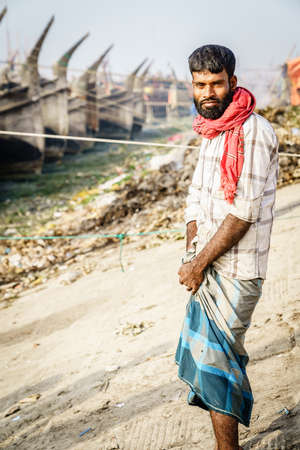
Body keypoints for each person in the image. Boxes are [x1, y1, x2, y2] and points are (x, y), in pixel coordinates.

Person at [176, 45, 278, 450]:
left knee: (219, 363)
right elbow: (196, 199)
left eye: (216, 83)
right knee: (209, 362)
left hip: (238, 268)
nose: (207, 92)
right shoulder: (212, 131)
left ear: (233, 83)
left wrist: (198, 263)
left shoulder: (253, 130)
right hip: (207, 264)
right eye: (200, 84)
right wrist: (191, 256)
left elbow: (244, 212)